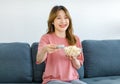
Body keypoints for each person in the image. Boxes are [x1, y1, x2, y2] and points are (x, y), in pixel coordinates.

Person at [36, 5, 87, 84]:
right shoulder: (46, 38)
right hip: (52, 80)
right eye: (58, 18)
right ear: (52, 21)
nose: (63, 21)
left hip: (73, 79)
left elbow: (78, 66)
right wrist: (45, 49)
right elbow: (39, 60)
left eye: (66, 17)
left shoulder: (75, 39)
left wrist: (73, 58)